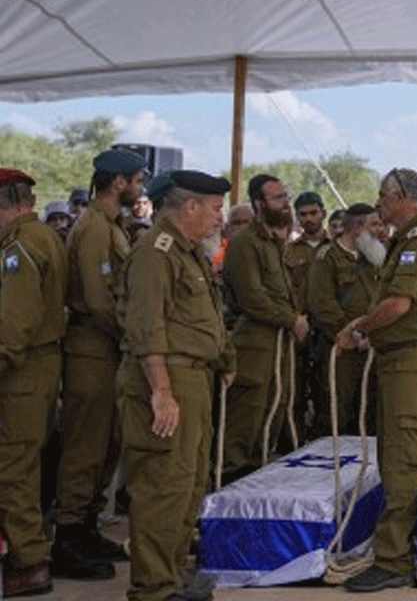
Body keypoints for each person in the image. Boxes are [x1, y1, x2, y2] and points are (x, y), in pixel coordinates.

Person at [119, 170, 232, 601]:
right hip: (166, 377)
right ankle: (153, 587)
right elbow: (146, 326)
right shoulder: (156, 250)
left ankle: (172, 573)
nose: (219, 218)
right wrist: (162, 391)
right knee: (162, 484)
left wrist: (223, 358)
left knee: (187, 481)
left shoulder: (188, 252)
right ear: (190, 206)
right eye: (215, 209)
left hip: (193, 377)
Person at [335, 167, 417, 591]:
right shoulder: (404, 241)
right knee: (396, 454)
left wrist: (361, 328)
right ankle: (396, 549)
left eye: (383, 196)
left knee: (405, 459)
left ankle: (395, 557)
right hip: (400, 359)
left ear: (401, 197)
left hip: (412, 363)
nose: (379, 202)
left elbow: (399, 304)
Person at [51, 148, 147, 580]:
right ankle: (69, 536)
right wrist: (133, 337)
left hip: (107, 348)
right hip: (91, 348)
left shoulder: (110, 225)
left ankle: (87, 526)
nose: (140, 189)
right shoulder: (92, 227)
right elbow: (96, 299)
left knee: (106, 444)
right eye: (137, 180)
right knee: (85, 446)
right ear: (119, 183)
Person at [0, 168, 68, 598]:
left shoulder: (19, 247)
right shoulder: (44, 236)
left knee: (12, 468)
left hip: (23, 370)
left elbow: (13, 324)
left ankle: (28, 562)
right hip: (40, 364)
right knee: (24, 463)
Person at [221, 174, 307, 481]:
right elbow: (252, 298)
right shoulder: (245, 242)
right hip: (255, 345)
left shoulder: (275, 242)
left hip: (279, 345)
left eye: (285, 196)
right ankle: (229, 485)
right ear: (259, 204)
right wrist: (291, 320)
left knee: (274, 413)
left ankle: (256, 480)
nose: (285, 203)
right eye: (277, 198)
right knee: (246, 419)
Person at [309, 204, 385, 435]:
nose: (380, 230)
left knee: (370, 415)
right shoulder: (327, 257)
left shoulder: (373, 256)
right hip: (340, 349)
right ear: (358, 226)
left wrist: (372, 333)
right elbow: (323, 305)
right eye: (374, 224)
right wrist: (350, 335)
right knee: (337, 415)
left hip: (371, 347)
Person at [285, 191, 330, 442]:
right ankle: (293, 442)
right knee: (295, 391)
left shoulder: (336, 248)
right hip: (299, 329)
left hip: (329, 328)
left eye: (313, 213)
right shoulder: (289, 251)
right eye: (303, 215)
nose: (309, 219)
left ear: (323, 213)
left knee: (328, 391)